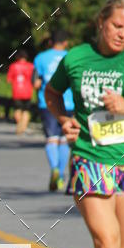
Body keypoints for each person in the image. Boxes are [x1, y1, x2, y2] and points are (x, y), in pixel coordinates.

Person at [46, 0, 124, 248]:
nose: (123, 34)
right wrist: (64, 119)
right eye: (117, 26)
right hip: (88, 159)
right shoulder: (76, 58)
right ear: (101, 23)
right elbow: (52, 92)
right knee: (107, 242)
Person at [33, 30, 74, 190]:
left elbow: (36, 83)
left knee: (51, 139)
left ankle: (54, 169)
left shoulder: (40, 58)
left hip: (48, 103)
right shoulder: (72, 57)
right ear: (66, 42)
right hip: (69, 103)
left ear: (51, 42)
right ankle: (61, 174)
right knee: (64, 139)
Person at [7, 50, 34, 134]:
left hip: (17, 91)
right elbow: (34, 79)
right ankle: (23, 127)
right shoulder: (31, 66)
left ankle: (20, 125)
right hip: (28, 92)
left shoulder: (13, 66)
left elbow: (9, 80)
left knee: (17, 109)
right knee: (26, 110)